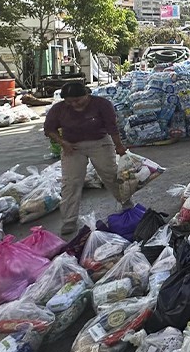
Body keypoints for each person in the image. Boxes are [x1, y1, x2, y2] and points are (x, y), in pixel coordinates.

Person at [44, 82, 129, 236]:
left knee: (110, 175)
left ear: (87, 94)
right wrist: (63, 143)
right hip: (72, 147)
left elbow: (112, 127)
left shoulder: (102, 104)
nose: (74, 104)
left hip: (100, 142)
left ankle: (127, 204)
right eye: (69, 101)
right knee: (71, 183)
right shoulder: (59, 109)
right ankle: (69, 221)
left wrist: (119, 147)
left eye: (78, 100)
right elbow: (49, 129)